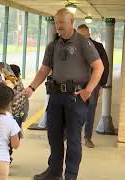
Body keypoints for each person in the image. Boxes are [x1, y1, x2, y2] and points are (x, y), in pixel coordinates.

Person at [23, 8, 104, 180]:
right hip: (56, 97)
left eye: (62, 22)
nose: (58, 26)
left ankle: (70, 176)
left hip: (76, 97)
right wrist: (31, 88)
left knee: (74, 141)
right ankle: (54, 173)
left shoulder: (83, 42)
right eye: (56, 22)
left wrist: (88, 91)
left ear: (71, 22)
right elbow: (44, 69)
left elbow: (99, 67)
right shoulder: (53, 45)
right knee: (54, 137)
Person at [77, 24, 109, 148]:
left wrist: (102, 84)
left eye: (83, 35)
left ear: (89, 34)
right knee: (74, 109)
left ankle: (87, 137)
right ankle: (72, 134)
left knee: (90, 110)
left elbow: (105, 66)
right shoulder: (72, 47)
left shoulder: (98, 47)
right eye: (79, 35)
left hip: (93, 84)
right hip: (76, 83)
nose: (81, 38)